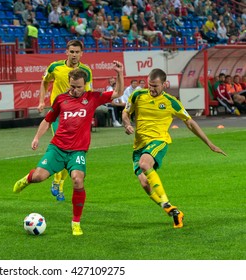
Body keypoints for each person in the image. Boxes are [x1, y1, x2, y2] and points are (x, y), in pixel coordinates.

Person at [13, 62, 125, 235]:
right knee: (39, 177)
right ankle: (27, 179)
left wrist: (119, 74)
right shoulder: (61, 99)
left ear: (85, 85)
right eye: (72, 86)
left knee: (77, 180)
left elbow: (118, 93)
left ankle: (76, 222)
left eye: (78, 87)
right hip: (57, 148)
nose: (74, 90)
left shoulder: (93, 97)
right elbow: (48, 119)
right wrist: (36, 137)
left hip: (77, 151)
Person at [122, 68, 226, 228]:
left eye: (155, 86)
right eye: (150, 85)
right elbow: (125, 112)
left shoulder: (171, 102)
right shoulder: (137, 95)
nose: (152, 89)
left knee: (144, 165)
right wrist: (127, 124)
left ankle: (166, 203)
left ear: (164, 84)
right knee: (144, 183)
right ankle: (172, 210)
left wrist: (210, 143)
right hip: (139, 146)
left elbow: (190, 122)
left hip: (159, 141)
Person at [37, 39, 93, 201]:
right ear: (66, 52)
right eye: (72, 51)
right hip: (60, 114)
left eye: (77, 52)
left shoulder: (86, 71)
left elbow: (88, 94)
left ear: (82, 54)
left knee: (73, 150)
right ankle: (57, 184)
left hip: (77, 116)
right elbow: (44, 82)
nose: (74, 55)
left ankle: (57, 183)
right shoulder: (55, 67)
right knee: (64, 147)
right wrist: (42, 101)